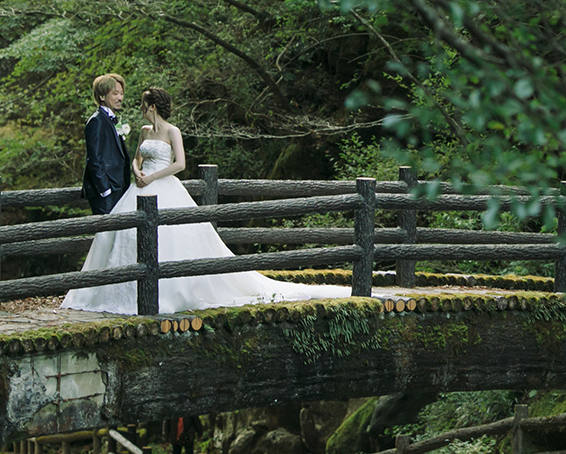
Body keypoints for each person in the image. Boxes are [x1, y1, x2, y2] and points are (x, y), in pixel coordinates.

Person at [62, 86, 350, 314]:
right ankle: (119, 292)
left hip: (162, 186)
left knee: (175, 239)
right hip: (139, 188)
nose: (137, 106)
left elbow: (180, 165)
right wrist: (138, 171)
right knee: (125, 238)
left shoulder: (172, 131)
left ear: (151, 106)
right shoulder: (144, 131)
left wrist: (151, 177)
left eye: (141, 102)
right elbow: (137, 156)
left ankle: (172, 293)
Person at [82, 73, 129, 215]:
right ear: (102, 96)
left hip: (119, 188)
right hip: (106, 192)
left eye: (121, 93)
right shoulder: (96, 121)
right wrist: (105, 190)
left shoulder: (112, 120)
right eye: (115, 94)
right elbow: (94, 159)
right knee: (105, 234)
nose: (120, 98)